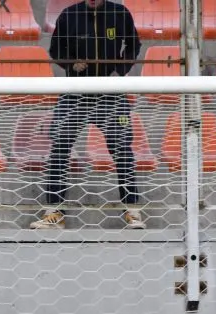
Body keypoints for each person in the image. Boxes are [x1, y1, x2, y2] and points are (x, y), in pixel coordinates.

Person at [30, 0, 144, 230]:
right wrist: (72, 64)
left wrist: (118, 71)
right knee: (60, 146)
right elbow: (56, 50)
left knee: (123, 148)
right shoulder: (68, 15)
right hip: (75, 92)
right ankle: (54, 211)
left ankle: (132, 210)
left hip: (110, 94)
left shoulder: (119, 13)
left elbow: (133, 45)